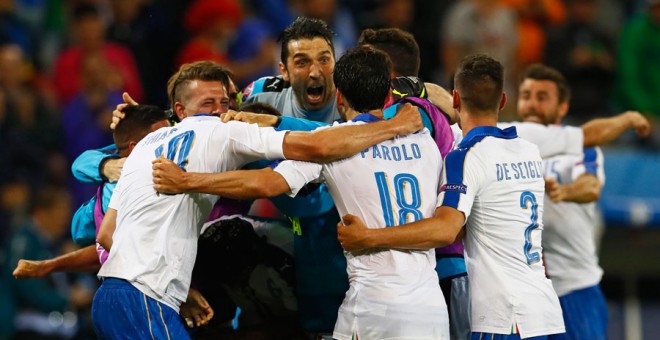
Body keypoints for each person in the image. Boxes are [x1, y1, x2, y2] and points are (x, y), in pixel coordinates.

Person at [91, 59, 423, 339]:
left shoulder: (144, 148)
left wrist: (182, 290)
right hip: (146, 299)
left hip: (110, 295)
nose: (221, 111)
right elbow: (319, 147)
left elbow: (107, 235)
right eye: (209, 104)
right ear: (180, 109)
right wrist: (393, 125)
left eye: (224, 102)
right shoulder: (223, 130)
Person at [336, 54, 566, 339]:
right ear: (503, 100)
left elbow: (445, 231)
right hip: (544, 309)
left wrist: (368, 237)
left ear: (455, 99)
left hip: (504, 315)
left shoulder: (465, 157)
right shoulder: (529, 152)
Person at [517, 64, 607, 339]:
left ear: (563, 107)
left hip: (572, 289)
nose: (532, 104)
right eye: (526, 95)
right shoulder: (505, 146)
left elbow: (590, 186)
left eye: (542, 97)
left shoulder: (579, 147)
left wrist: (563, 192)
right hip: (522, 292)